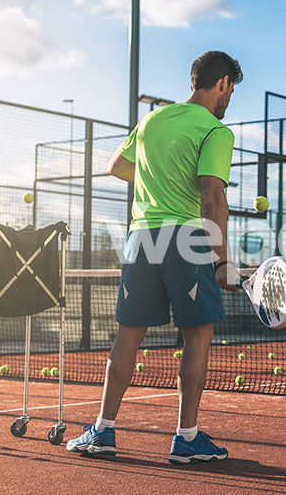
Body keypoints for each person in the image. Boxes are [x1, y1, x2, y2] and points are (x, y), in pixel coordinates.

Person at [66, 51, 242, 465]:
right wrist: (222, 260)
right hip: (187, 239)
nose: (228, 99)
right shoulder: (216, 131)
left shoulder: (152, 120)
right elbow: (212, 196)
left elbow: (117, 166)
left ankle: (103, 430)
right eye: (230, 90)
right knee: (196, 336)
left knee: (128, 335)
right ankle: (186, 438)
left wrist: (155, 176)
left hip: (141, 237)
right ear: (222, 84)